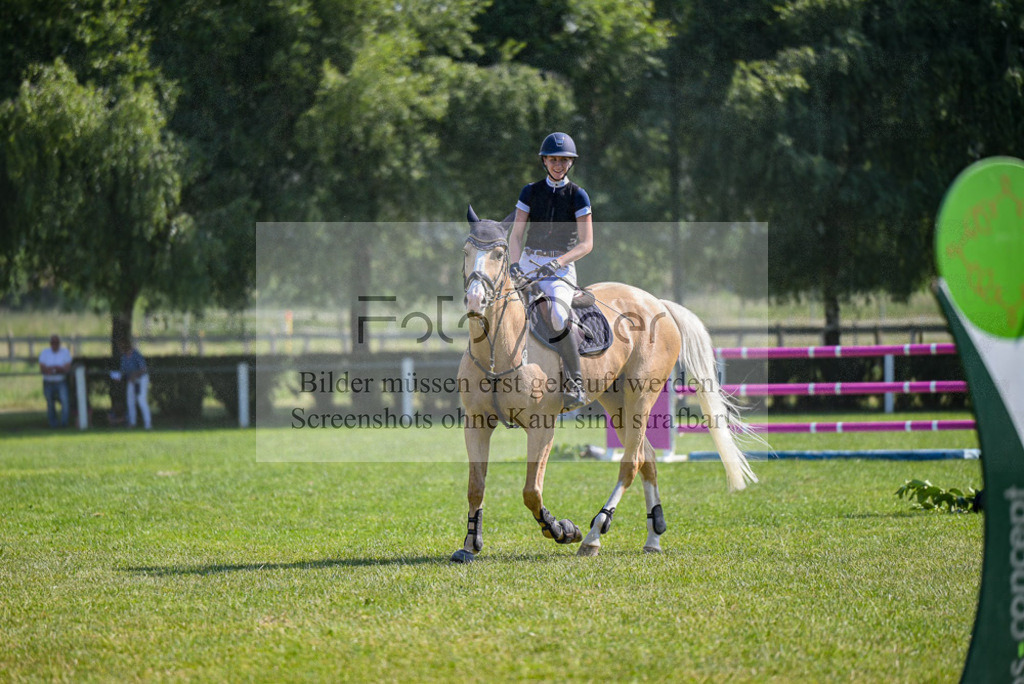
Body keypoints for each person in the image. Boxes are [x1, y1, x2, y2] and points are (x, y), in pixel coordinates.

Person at [509, 131, 593, 410]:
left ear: (571, 163)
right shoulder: (530, 191)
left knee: (558, 315)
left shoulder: (578, 195)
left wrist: (559, 262)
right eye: (553, 159)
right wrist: (514, 265)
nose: (558, 164)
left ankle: (576, 382)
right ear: (544, 161)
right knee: (500, 305)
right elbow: (516, 235)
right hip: (529, 263)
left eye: (564, 160)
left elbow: (586, 244)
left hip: (560, 268)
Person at [114, 340, 152, 429]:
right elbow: (123, 371)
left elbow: (143, 369)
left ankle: (148, 424)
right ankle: (132, 423)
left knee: (141, 400)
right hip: (131, 380)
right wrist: (118, 377)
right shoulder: (123, 358)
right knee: (130, 401)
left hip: (141, 379)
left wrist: (135, 375)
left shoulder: (136, 355)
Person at [38, 334, 72, 427]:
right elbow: (42, 368)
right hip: (48, 382)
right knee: (50, 403)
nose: (54, 344)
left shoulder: (65, 352)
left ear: (59, 343)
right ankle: (53, 424)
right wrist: (57, 368)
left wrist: (55, 369)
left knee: (64, 401)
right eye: (53, 342)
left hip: (61, 381)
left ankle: (64, 423)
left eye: (56, 342)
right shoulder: (45, 352)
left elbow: (67, 368)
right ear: (50, 343)